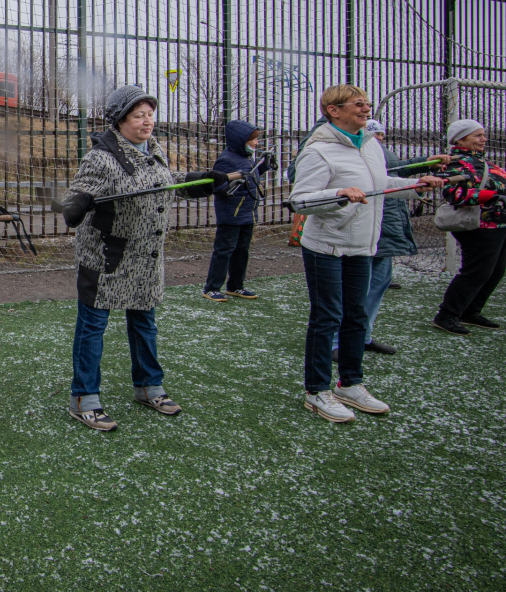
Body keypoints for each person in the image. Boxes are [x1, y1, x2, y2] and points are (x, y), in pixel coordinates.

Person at [60, 85, 229, 432]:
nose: (147, 120)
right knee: (93, 328)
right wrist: (76, 204)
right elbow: (73, 196)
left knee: (144, 324)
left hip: (146, 259)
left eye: (150, 114)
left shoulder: (154, 150)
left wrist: (202, 181)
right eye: (139, 115)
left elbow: (165, 182)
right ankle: (84, 398)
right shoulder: (101, 157)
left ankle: (149, 386)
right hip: (107, 257)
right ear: (121, 120)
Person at [289, 86, 442, 423]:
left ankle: (351, 384)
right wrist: (339, 193)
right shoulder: (318, 151)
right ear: (334, 110)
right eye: (358, 104)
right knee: (327, 317)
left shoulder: (370, 145)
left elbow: (379, 183)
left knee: (356, 316)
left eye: (367, 104)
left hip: (362, 245)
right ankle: (316, 390)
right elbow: (300, 200)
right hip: (326, 246)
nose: (365, 109)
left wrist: (414, 186)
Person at [328, 119, 450, 358]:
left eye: (383, 134)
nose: (380, 138)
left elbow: (393, 173)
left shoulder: (374, 149)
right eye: (377, 133)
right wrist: (422, 166)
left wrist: (423, 169)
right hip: (367, 225)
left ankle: (362, 336)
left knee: (378, 284)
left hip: (387, 225)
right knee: (353, 287)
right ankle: (336, 341)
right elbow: (395, 171)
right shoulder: (351, 147)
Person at [433, 119, 506, 335]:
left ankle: (471, 311)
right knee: (476, 272)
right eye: (477, 135)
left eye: (483, 135)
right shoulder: (454, 163)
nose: (484, 139)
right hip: (478, 225)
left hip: (499, 223)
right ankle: (446, 315)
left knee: (495, 271)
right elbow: (453, 194)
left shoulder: (486, 163)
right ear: (461, 139)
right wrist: (494, 196)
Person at [202, 119, 275, 301]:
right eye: (253, 140)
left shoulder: (246, 157)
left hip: (247, 214)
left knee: (242, 250)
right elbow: (217, 186)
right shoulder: (226, 160)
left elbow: (251, 177)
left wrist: (264, 165)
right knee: (224, 250)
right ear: (240, 140)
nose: (256, 143)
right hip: (231, 214)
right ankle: (211, 287)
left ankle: (236, 286)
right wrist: (232, 184)